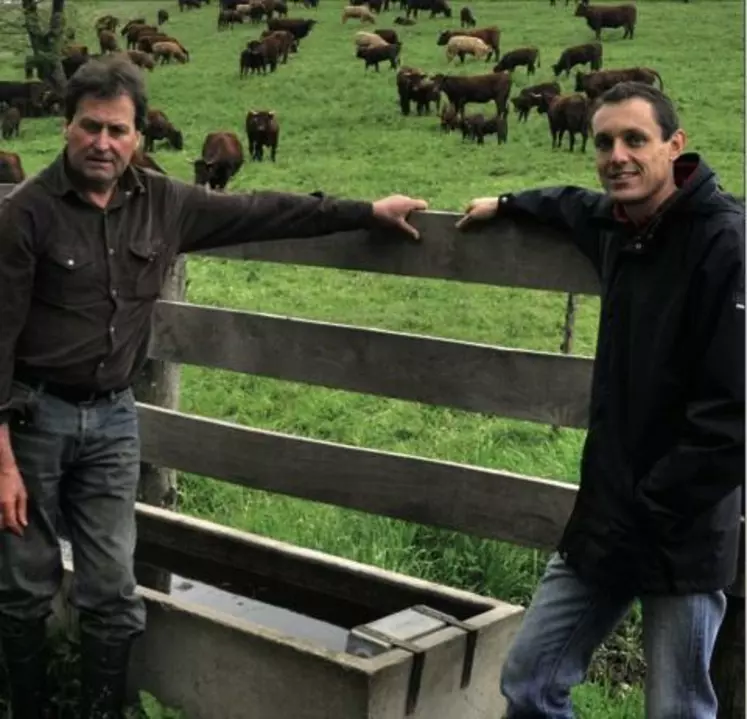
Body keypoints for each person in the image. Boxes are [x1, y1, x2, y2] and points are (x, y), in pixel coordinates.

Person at [0, 55, 427, 719]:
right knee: (24, 582)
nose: (103, 143)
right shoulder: (25, 213)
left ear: (139, 135)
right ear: (65, 127)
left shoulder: (167, 202)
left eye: (118, 130)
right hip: (32, 419)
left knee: (113, 584)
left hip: (112, 418)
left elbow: (264, 211)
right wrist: (1, 461)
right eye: (91, 127)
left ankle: (103, 710)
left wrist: (365, 212)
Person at [456, 81, 744, 718]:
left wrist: (653, 504)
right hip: (608, 517)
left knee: (677, 709)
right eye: (604, 143)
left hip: (683, 527)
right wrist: (505, 201)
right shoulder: (618, 226)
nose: (617, 155)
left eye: (635, 140)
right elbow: (567, 204)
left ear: (675, 146)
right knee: (529, 680)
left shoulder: (726, 245)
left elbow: (733, 421)